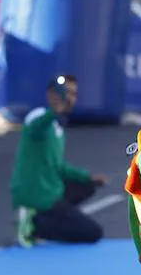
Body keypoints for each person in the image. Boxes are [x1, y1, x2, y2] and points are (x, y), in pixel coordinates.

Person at [10, 75, 107, 248]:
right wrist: (53, 112)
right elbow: (34, 129)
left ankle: (43, 217)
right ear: (51, 95)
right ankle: (34, 226)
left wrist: (87, 177)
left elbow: (58, 166)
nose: (70, 98)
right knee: (93, 233)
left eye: (74, 94)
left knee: (87, 185)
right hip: (35, 191)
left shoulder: (57, 128)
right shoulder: (39, 116)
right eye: (65, 93)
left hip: (49, 188)